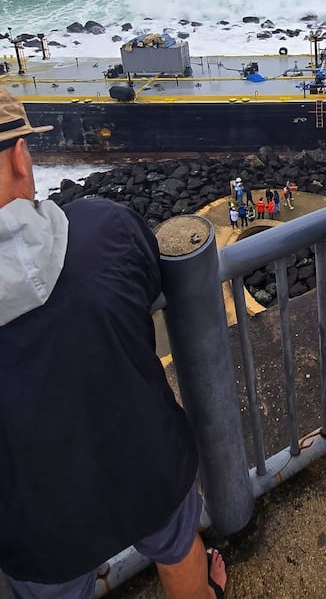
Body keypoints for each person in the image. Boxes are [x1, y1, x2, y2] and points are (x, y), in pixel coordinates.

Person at [0, 90, 226, 599]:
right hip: (147, 464)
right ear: (19, 154)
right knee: (179, 551)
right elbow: (148, 283)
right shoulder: (105, 227)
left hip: (33, 522)